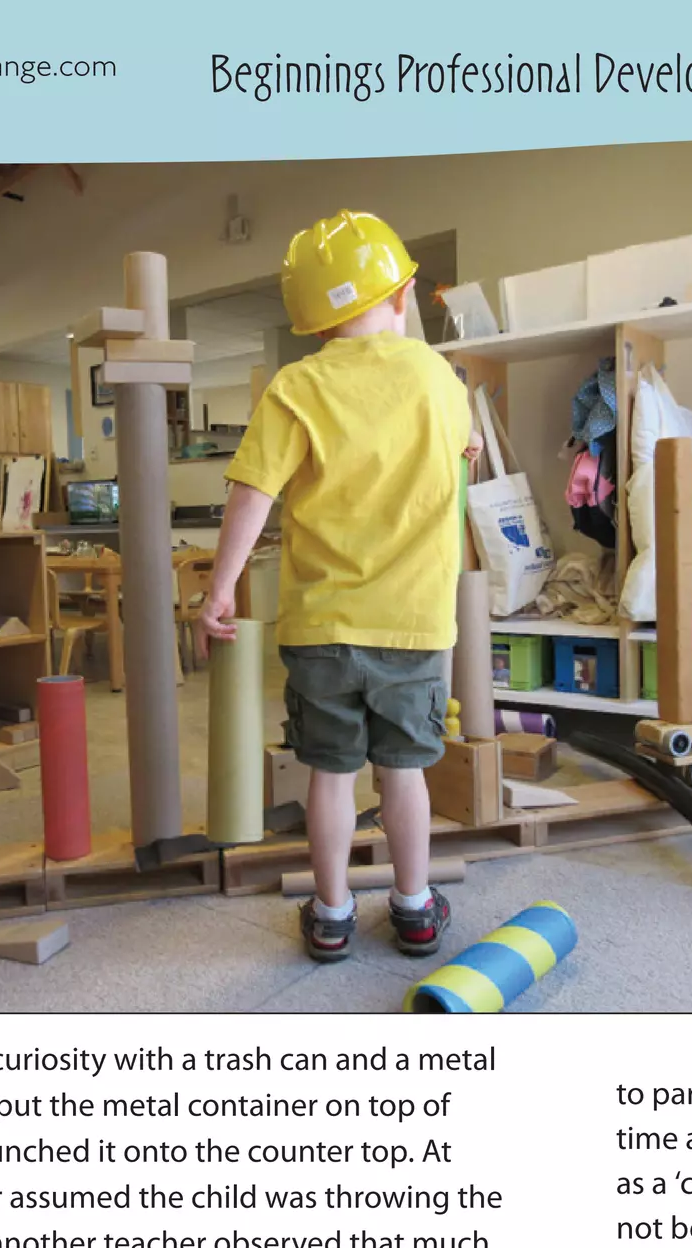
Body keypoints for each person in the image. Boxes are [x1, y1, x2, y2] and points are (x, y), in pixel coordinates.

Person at [196, 212, 478, 963]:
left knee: (329, 774)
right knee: (405, 773)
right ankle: (414, 909)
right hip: (412, 626)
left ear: (311, 320)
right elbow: (465, 448)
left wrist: (220, 588)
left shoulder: (295, 387)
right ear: (403, 292)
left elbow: (252, 492)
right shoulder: (439, 379)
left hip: (319, 626)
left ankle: (330, 914)